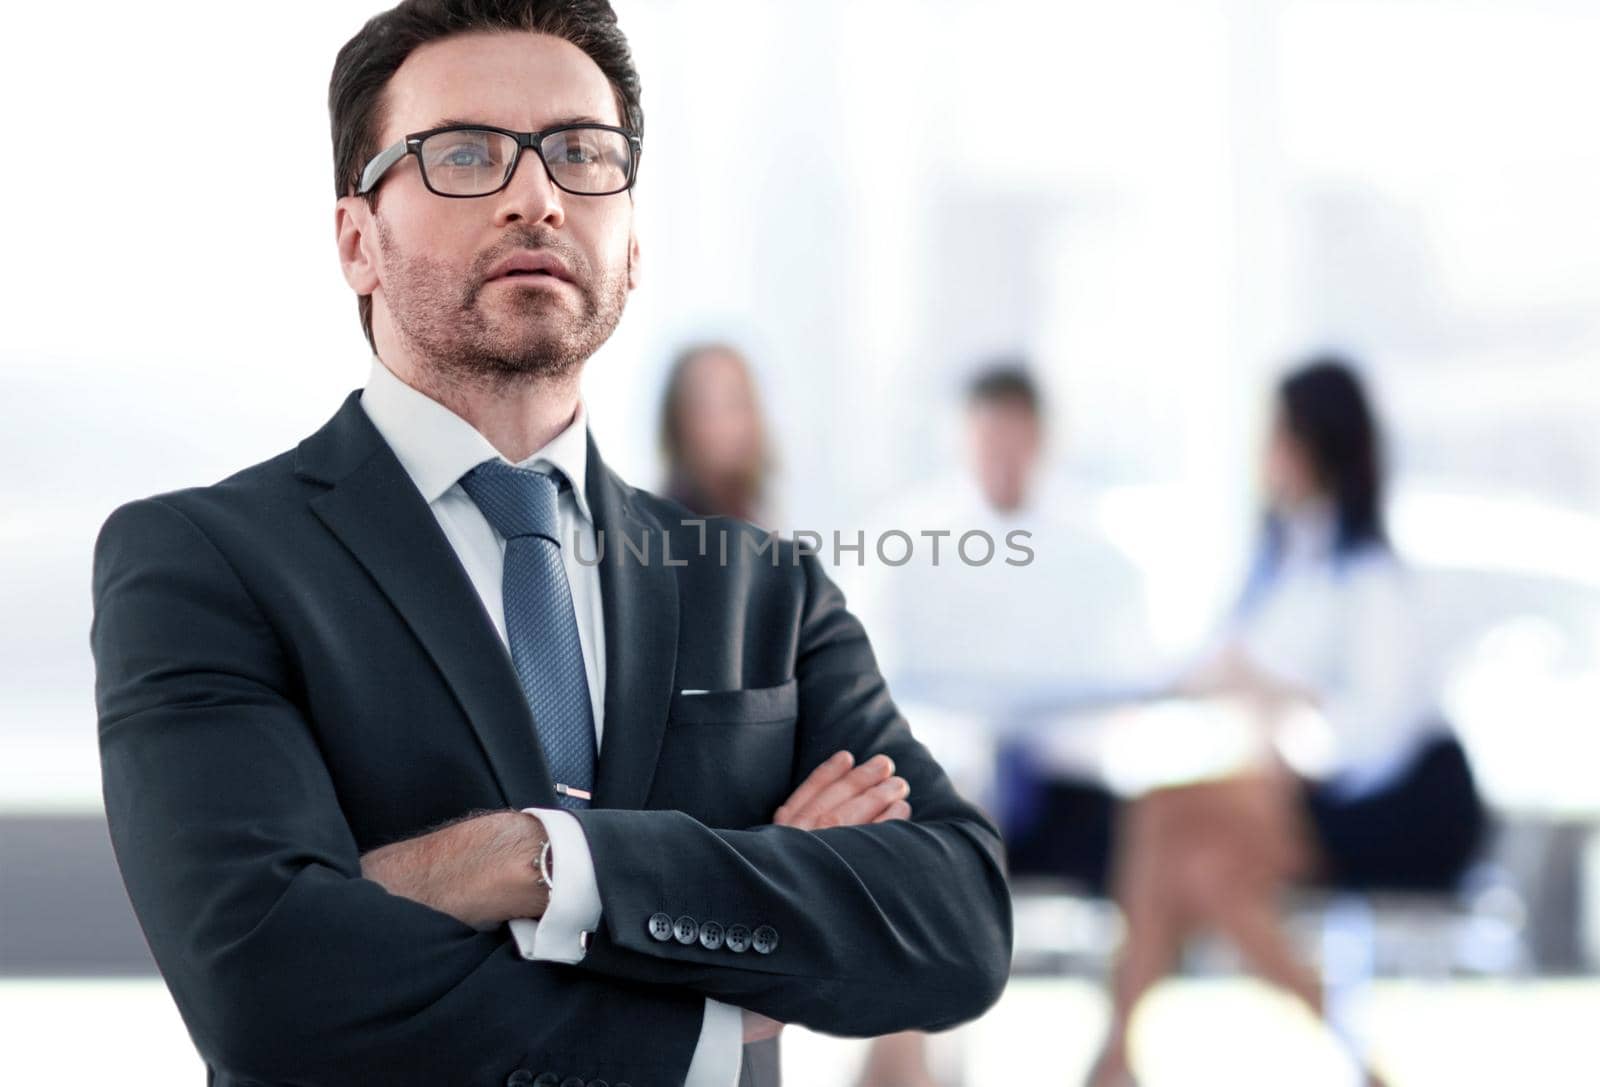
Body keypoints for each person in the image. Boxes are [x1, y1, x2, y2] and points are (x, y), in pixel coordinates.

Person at [87, 5, 1011, 1086]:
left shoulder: (760, 587)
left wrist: (535, 860)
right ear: (356, 241)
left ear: (632, 241)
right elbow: (268, 985)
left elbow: (954, 924)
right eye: (465, 153)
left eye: (581, 153)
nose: (537, 194)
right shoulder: (204, 563)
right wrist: (720, 988)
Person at [1085, 357, 1488, 1087]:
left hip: (1402, 799)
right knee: (1202, 871)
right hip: (1313, 785)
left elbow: (1377, 730)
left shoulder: (1369, 575)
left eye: (1275, 436)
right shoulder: (1282, 558)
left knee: (1161, 814)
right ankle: (1357, 1061)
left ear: (1313, 443)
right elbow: (1219, 660)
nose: (1262, 456)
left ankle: (1115, 1058)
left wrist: (1289, 720)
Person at [852, 364, 1154, 1087]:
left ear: (1041, 440)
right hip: (949, 779)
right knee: (930, 821)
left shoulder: (1098, 554)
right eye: (990, 438)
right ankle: (910, 1053)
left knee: (1160, 835)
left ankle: (1115, 1057)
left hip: (1064, 783)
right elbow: (872, 689)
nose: (1004, 456)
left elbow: (1127, 692)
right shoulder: (908, 543)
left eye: (1018, 439)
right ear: (965, 437)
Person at [658, 341, 777, 526]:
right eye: (708, 405)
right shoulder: (667, 529)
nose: (730, 424)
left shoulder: (751, 517)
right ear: (679, 424)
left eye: (737, 400)